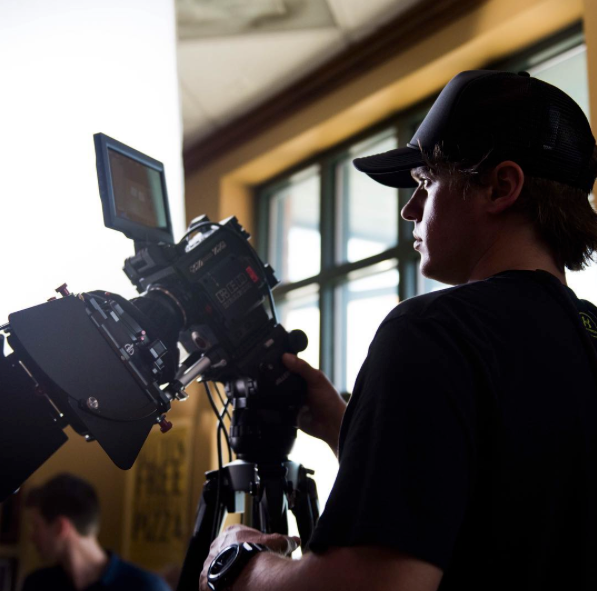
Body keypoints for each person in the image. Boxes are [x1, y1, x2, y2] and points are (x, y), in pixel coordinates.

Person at [200, 70, 597, 591]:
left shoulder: (433, 331)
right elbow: (513, 498)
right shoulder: (585, 337)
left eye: (426, 183)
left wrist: (238, 565)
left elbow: (371, 584)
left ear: (501, 187)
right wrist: (349, 428)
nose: (410, 209)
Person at [22, 473, 170, 591]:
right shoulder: (37, 584)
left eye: (36, 526)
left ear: (60, 527)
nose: (32, 537)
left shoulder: (146, 587)